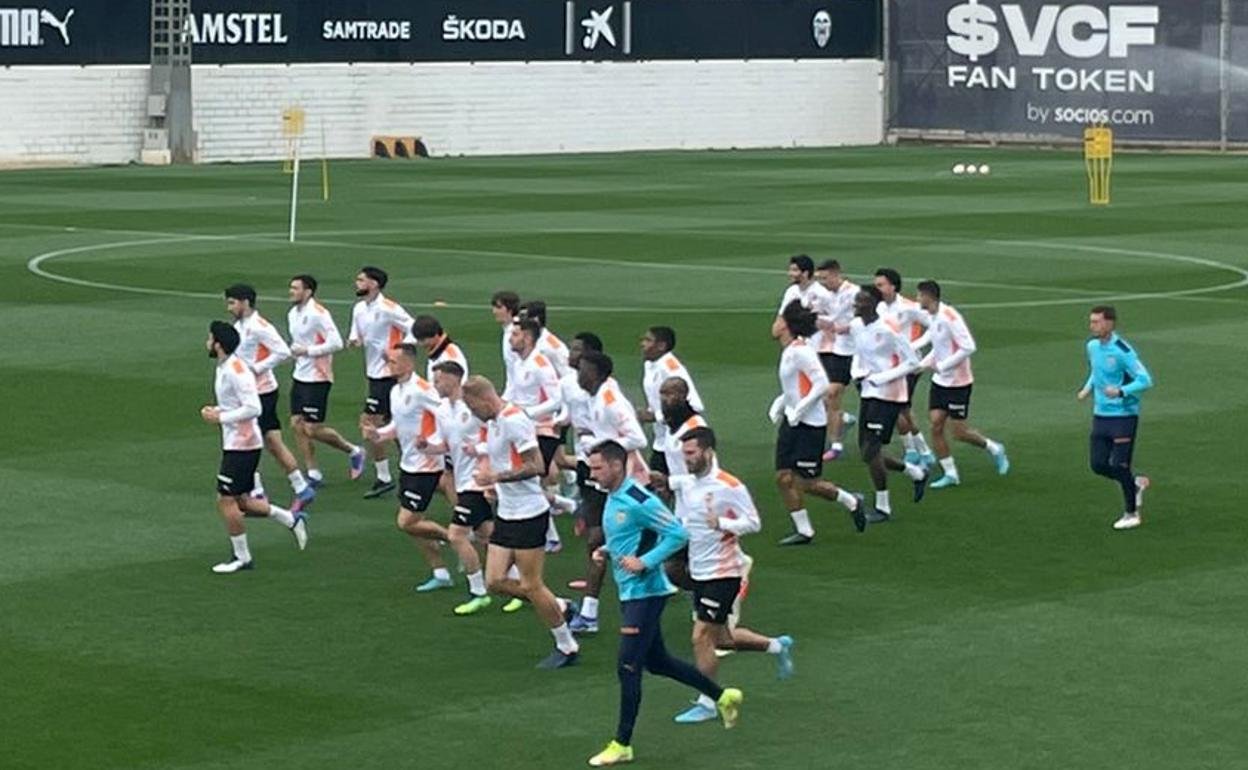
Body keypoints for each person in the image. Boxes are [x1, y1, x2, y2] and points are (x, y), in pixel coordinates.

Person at [586, 440, 743, 767]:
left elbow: (676, 533)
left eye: (598, 467)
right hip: (630, 592)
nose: (593, 473)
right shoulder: (613, 497)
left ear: (617, 466)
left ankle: (622, 743)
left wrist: (646, 562)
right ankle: (723, 696)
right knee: (657, 662)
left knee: (627, 666)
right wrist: (608, 551)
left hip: (647, 593)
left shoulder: (638, 499)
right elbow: (630, 536)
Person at [668, 428, 794, 724]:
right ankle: (778, 646)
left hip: (724, 572)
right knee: (722, 639)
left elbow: (754, 522)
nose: (686, 459)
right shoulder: (687, 485)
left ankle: (709, 701)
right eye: (683, 454)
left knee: (700, 637)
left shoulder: (730, 486)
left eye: (691, 453)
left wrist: (722, 523)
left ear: (708, 452)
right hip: (699, 570)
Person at [462, 376, 580, 668]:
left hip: (529, 514)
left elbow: (537, 466)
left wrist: (496, 478)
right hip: (507, 513)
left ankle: (566, 645)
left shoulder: (515, 420)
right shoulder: (494, 423)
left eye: (472, 407)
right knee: (495, 581)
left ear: (485, 400)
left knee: (531, 585)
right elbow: (503, 456)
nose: (473, 413)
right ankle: (561, 606)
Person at [201, 321, 307, 574]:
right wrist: (219, 410)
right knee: (242, 501)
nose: (206, 342)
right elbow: (237, 404)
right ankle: (290, 519)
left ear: (218, 344)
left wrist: (221, 418)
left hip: (243, 445)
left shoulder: (236, 370)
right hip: (236, 442)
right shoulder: (225, 366)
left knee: (225, 500)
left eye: (209, 338)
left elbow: (254, 408)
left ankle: (242, 558)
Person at [770, 300, 867, 545]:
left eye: (779, 319)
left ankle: (851, 501)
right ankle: (804, 531)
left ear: (786, 325)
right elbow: (794, 387)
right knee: (783, 477)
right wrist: (780, 404)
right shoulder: (790, 350)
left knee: (807, 482)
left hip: (809, 426)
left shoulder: (802, 351)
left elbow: (821, 384)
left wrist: (799, 410)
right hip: (792, 422)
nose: (775, 323)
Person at [568, 349, 650, 634]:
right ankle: (590, 612)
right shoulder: (596, 397)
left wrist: (599, 442)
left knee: (616, 545)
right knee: (598, 543)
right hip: (608, 483)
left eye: (583, 370)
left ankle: (699, 583)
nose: (578, 374)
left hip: (630, 485)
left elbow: (637, 438)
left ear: (597, 374)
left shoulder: (612, 402)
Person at [362, 345, 454, 593]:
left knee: (407, 522)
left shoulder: (423, 390)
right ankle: (440, 572)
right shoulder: (395, 391)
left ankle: (456, 538)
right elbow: (398, 426)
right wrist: (377, 434)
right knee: (416, 524)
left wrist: (434, 444)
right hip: (409, 464)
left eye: (393, 361)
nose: (388, 365)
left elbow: (447, 415)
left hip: (425, 466)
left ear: (408, 364)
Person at [224, 284, 315, 513]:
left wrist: (257, 368)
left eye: (232, 302)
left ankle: (258, 490)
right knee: (272, 443)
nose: (229, 307)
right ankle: (300, 487)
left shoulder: (258, 326)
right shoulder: (241, 326)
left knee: (251, 440)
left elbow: (283, 351)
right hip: (256, 391)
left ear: (245, 302)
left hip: (261, 393)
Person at [913, 280, 1010, 488]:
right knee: (936, 425)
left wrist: (943, 365)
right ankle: (951, 474)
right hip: (940, 382)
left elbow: (968, 346)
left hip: (958, 383)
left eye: (920, 296)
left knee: (959, 432)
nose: (917, 299)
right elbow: (936, 340)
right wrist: (920, 361)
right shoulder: (933, 315)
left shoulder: (951, 317)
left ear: (929, 296)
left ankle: (994, 448)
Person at [850, 286, 929, 522]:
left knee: (872, 450)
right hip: (868, 392)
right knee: (866, 451)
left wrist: (883, 377)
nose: (855, 305)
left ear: (873, 304)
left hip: (889, 394)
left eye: (861, 301)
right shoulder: (856, 326)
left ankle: (883, 507)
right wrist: (857, 372)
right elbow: (858, 353)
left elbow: (912, 362)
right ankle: (915, 473)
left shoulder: (887, 330)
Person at [1077, 305, 1153, 530]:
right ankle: (1134, 485)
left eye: (1097, 322)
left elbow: (1146, 380)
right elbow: (1097, 371)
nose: (1093, 326)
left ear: (1110, 323)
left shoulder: (1123, 350)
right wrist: (1087, 388)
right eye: (1091, 322)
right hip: (1101, 415)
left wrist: (1121, 391)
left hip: (1123, 416)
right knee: (1098, 465)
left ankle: (1131, 513)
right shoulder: (1092, 346)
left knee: (1120, 465)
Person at [286, 274, 366, 486]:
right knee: (296, 424)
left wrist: (308, 350)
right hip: (300, 375)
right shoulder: (293, 313)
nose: (291, 291)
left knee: (312, 428)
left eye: (295, 288)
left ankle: (354, 450)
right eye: (291, 288)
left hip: (318, 377)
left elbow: (336, 342)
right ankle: (313, 471)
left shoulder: (318, 314)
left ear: (308, 291)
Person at [428, 361, 495, 614]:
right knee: (488, 534)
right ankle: (515, 582)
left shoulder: (474, 406)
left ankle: (478, 591)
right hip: (462, 480)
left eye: (439, 380)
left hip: (477, 480)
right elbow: (444, 443)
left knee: (457, 534)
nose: (435, 384)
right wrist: (427, 445)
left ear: (454, 379)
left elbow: (496, 436)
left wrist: (478, 451)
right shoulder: (442, 409)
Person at [348, 266, 415, 499]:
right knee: (394, 424)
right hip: (373, 373)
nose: (357, 283)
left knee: (369, 423)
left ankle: (384, 477)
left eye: (361, 280)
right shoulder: (359, 308)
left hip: (388, 375)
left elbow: (413, 329)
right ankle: (414, 465)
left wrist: (397, 353)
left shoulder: (389, 308)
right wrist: (354, 340)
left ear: (374, 284)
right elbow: (356, 333)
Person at [873, 268, 935, 467]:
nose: (878, 289)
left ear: (893, 286)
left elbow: (934, 325)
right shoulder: (878, 307)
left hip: (908, 366)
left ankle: (922, 451)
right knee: (898, 410)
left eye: (881, 285)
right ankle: (913, 450)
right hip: (888, 367)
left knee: (902, 409)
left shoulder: (909, 307)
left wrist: (915, 345)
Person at [638, 325, 704, 478]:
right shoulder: (649, 365)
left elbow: (695, 405)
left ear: (661, 346)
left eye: (648, 340)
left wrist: (655, 416)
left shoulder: (672, 370)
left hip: (677, 442)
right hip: (661, 441)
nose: (643, 344)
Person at [813, 259, 860, 461]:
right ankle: (836, 444)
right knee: (830, 395)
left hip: (858, 353)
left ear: (835, 274)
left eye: (825, 278)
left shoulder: (854, 293)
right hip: (837, 351)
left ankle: (914, 445)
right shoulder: (825, 294)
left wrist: (848, 327)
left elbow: (867, 318)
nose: (823, 283)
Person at [771, 254, 831, 340]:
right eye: (790, 270)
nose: (790, 274)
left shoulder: (821, 293)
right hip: (796, 342)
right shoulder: (791, 291)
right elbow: (781, 316)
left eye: (794, 270)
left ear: (805, 273)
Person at [411, 314, 469, 383]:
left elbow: (458, 384)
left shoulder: (450, 357)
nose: (420, 344)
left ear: (435, 335)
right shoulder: (436, 352)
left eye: (423, 340)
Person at [490, 290, 522, 397]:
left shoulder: (515, 334)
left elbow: (517, 371)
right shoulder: (510, 330)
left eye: (499, 307)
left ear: (510, 310)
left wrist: (507, 398)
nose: (494, 311)